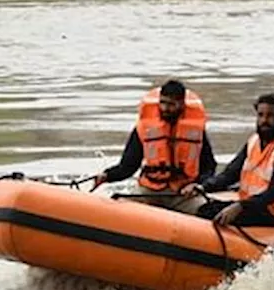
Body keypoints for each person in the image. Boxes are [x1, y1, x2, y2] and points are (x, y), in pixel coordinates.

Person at [91, 80, 216, 214]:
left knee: (208, 212)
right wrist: (107, 175)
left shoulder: (195, 131)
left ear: (181, 104)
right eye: (162, 103)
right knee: (122, 212)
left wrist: (198, 185)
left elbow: (209, 166)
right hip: (149, 192)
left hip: (183, 194)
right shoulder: (144, 129)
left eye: (171, 104)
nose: (165, 108)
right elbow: (128, 166)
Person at [182, 93, 274, 227]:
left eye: (270, 116)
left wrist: (240, 206)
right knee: (206, 209)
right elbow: (230, 174)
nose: (264, 120)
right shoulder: (253, 142)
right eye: (261, 115)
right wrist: (203, 187)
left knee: (212, 214)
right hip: (254, 206)